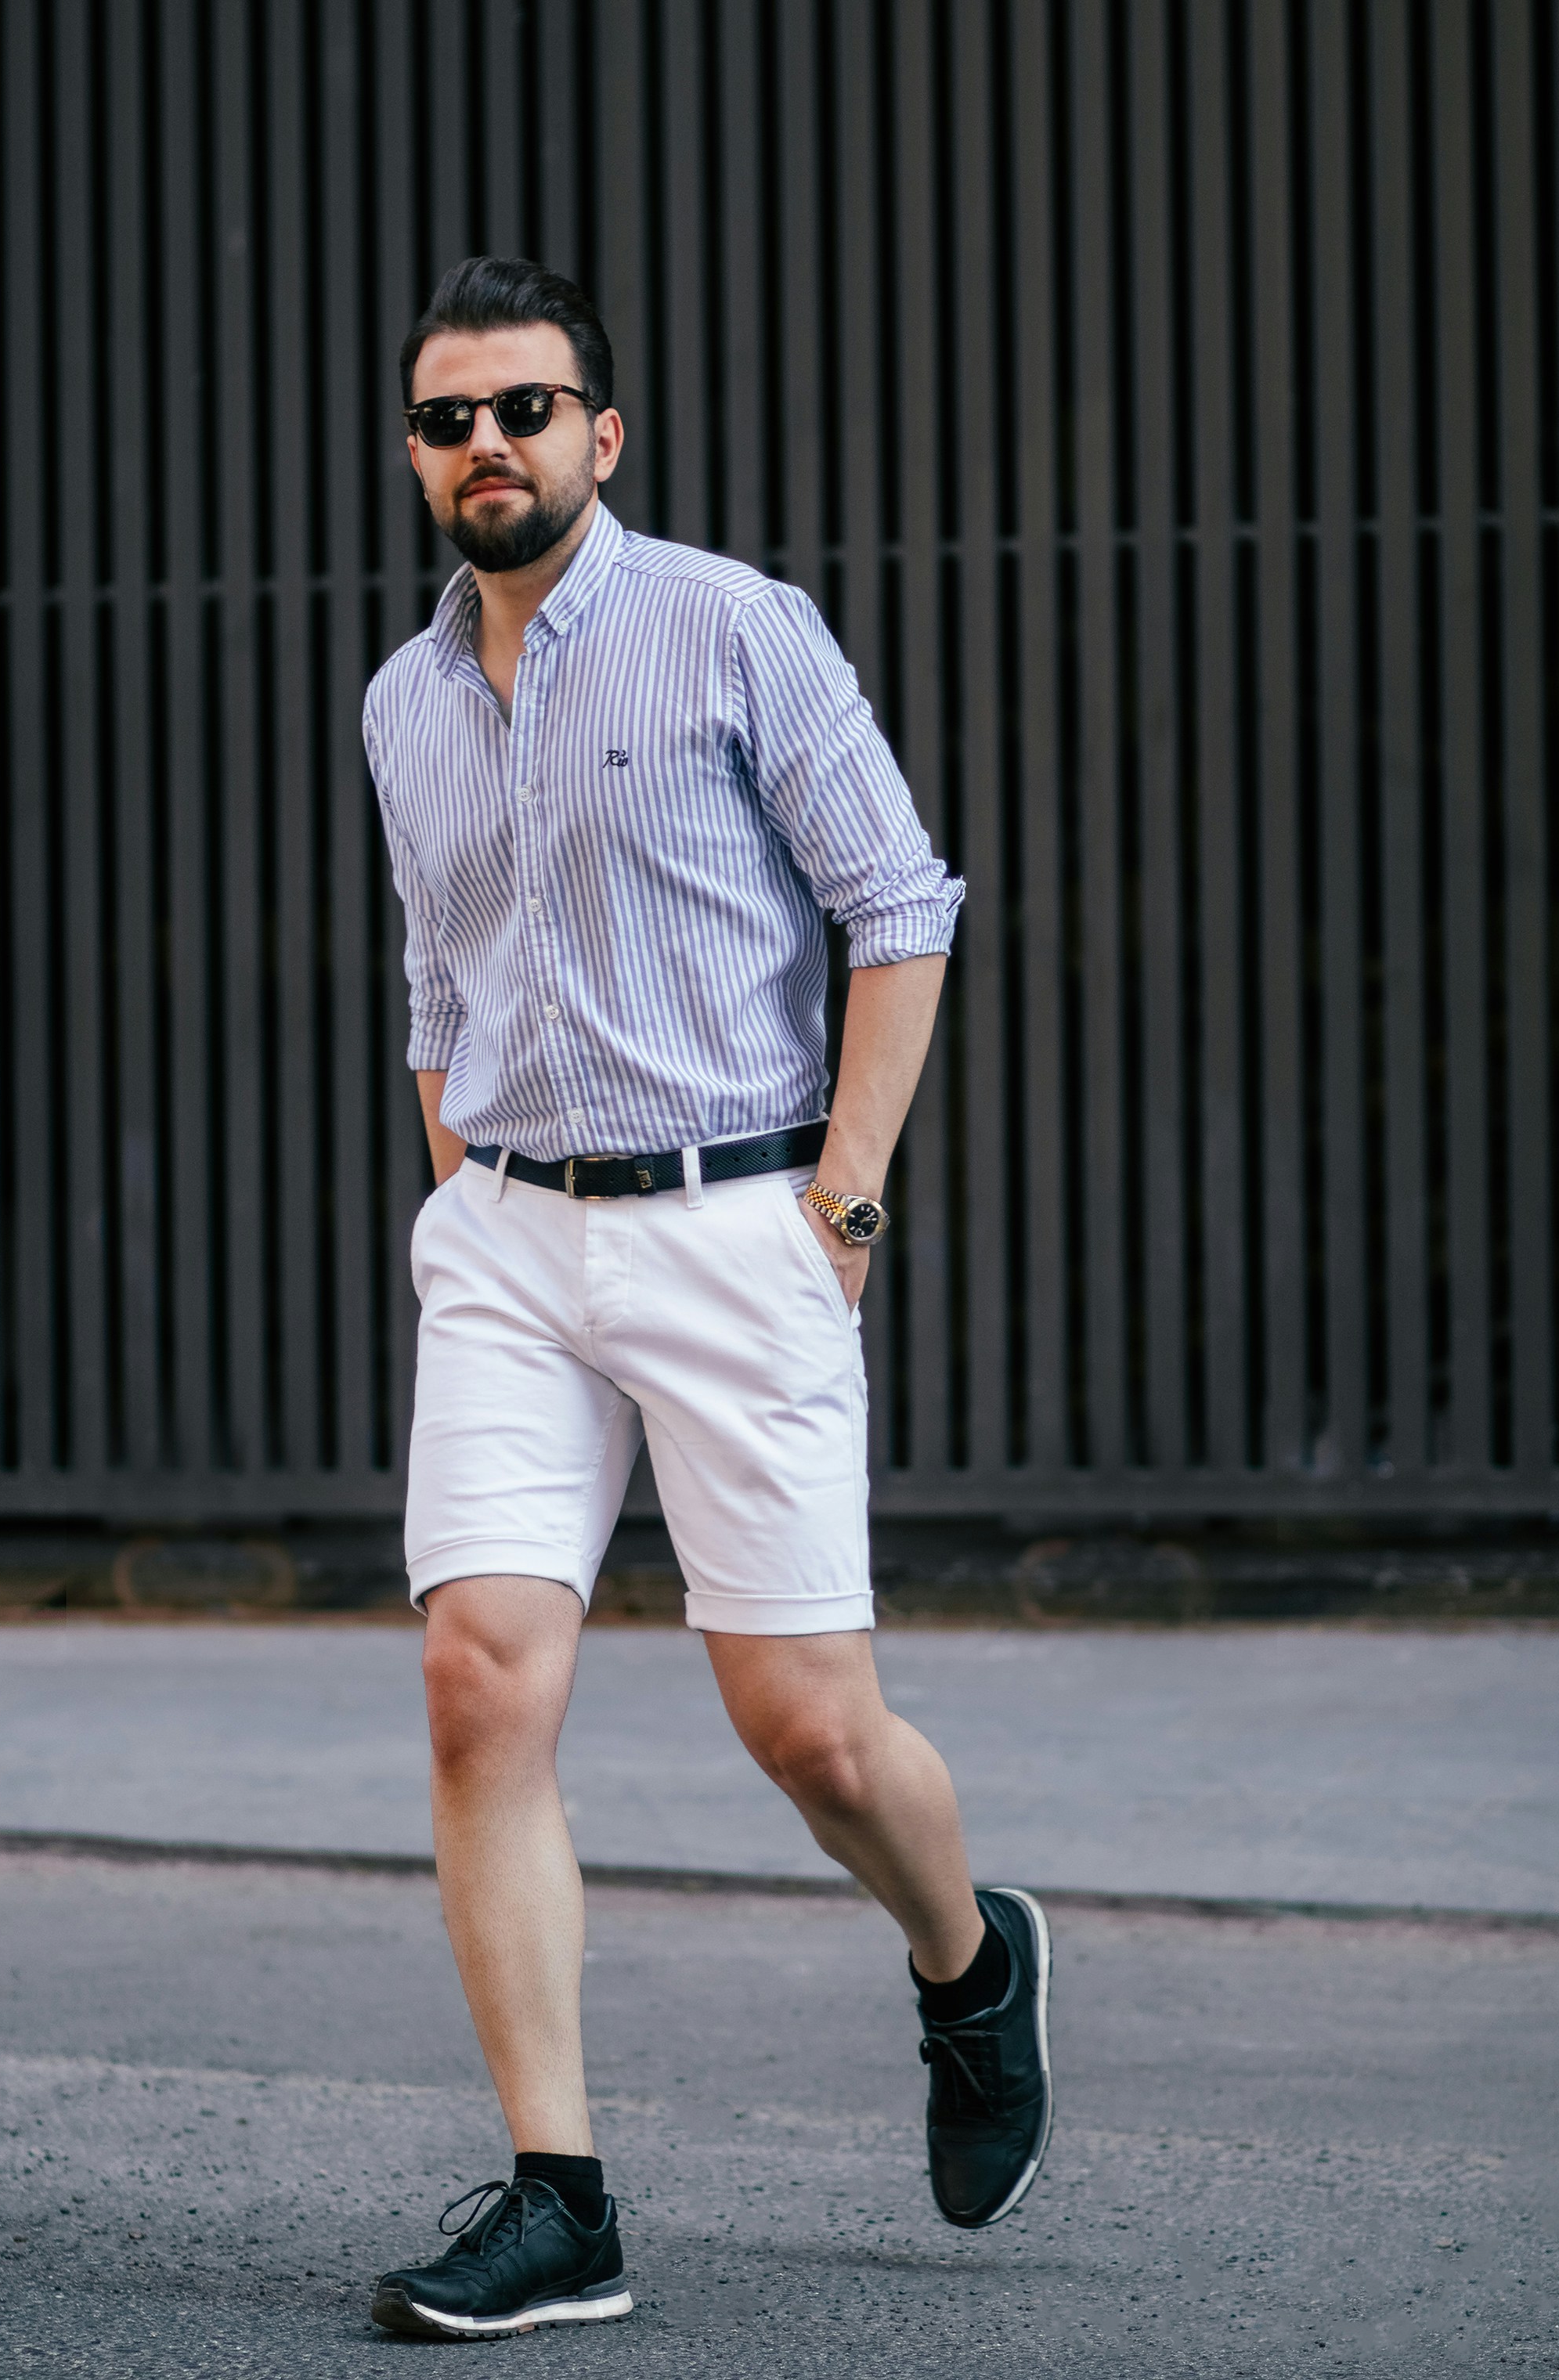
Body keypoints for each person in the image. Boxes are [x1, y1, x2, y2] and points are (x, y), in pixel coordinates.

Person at [361, 254, 1050, 2342]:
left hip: (735, 1218)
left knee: (811, 1735)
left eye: (525, 408)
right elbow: (433, 976)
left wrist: (841, 1203)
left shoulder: (738, 628)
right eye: (450, 419)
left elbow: (900, 902)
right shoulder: (404, 701)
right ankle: (562, 2201)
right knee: (483, 1679)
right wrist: (464, 1186)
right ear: (418, 457)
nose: (489, 444)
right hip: (506, 1239)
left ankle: (970, 1958)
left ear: (603, 433)